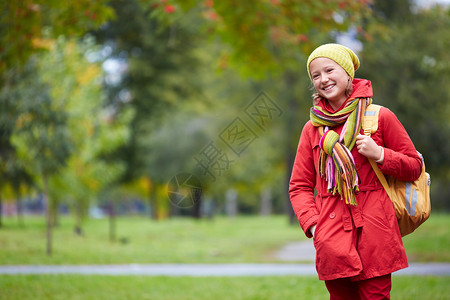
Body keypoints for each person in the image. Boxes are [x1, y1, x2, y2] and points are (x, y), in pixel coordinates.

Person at [288, 43, 422, 299]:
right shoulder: (312, 129)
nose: (323, 79)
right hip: (331, 239)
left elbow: (414, 166)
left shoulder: (380, 117)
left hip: (376, 235)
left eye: (329, 70)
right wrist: (315, 228)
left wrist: (380, 154)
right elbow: (299, 186)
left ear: (348, 74)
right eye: (316, 75)